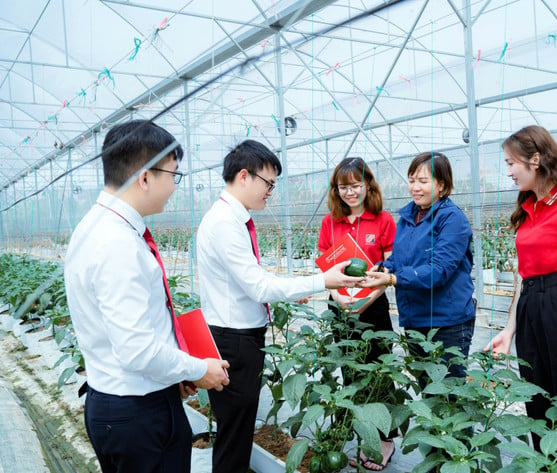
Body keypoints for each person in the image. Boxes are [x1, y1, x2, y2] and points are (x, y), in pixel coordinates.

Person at [64, 120, 230, 473]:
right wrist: (200, 370)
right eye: (174, 175)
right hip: (138, 414)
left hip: (122, 403)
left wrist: (175, 373)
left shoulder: (95, 228)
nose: (174, 186)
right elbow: (137, 349)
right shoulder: (118, 245)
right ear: (144, 178)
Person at [195, 140, 364, 473]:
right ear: (244, 176)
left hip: (237, 337)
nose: (270, 191)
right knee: (233, 436)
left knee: (237, 432)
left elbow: (251, 279)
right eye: (268, 183)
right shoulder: (225, 224)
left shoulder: (229, 218)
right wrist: (321, 281)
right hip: (234, 340)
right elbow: (258, 286)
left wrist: (290, 288)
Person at [484, 125, 557, 451]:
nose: (508, 172)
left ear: (535, 160)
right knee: (537, 406)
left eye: (511, 163)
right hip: (531, 311)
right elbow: (524, 278)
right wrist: (510, 329)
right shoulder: (528, 209)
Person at [361, 151, 476, 385]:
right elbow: (399, 258)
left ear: (442, 184)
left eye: (423, 181)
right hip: (415, 320)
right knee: (427, 389)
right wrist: (383, 268)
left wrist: (392, 278)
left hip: (447, 323)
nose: (415, 187)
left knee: (448, 395)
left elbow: (439, 270)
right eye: (412, 180)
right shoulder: (407, 217)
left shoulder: (452, 219)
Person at [317, 157, 397, 471]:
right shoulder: (329, 223)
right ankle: (364, 437)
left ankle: (385, 440)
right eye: (343, 186)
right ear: (336, 190)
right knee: (350, 373)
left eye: (356, 185)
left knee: (379, 374)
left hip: (373, 306)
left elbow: (389, 268)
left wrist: (364, 302)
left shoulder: (384, 220)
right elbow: (325, 267)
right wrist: (340, 299)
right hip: (340, 307)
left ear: (367, 185)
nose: (350, 192)